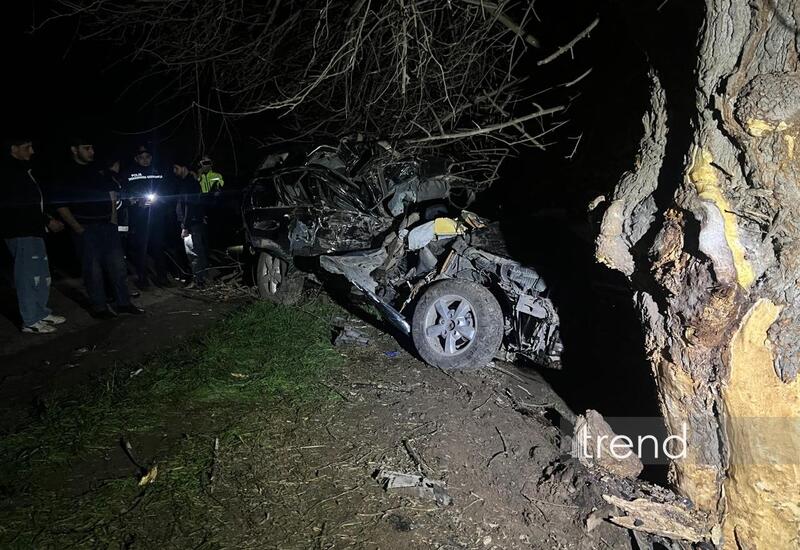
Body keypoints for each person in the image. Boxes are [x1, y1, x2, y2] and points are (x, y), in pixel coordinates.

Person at [55, 138, 144, 319]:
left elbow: (111, 193)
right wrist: (77, 227)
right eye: (86, 148)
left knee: (118, 267)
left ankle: (123, 303)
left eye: (92, 147)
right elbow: (60, 204)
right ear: (74, 149)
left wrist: (112, 219)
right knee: (92, 270)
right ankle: (100, 307)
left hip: (107, 226)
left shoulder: (98, 170)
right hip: (85, 228)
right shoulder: (65, 175)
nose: (91, 151)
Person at [1, 137, 66, 333]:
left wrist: (44, 220)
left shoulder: (22, 170)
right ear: (13, 149)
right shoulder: (8, 172)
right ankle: (30, 320)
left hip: (34, 230)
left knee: (41, 274)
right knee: (28, 276)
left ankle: (41, 312)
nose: (32, 151)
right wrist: (47, 221)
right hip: (20, 231)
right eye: (27, 147)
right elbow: (20, 205)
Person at [125, 145, 170, 289]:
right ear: (136, 158)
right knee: (141, 250)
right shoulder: (129, 173)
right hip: (139, 218)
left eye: (148, 157)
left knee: (159, 248)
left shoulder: (158, 171)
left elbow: (166, 191)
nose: (145, 160)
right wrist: (135, 201)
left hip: (157, 217)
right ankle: (142, 280)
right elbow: (124, 194)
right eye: (141, 157)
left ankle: (162, 278)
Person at [174, 164, 209, 288]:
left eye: (176, 168)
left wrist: (185, 226)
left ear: (183, 167)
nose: (175, 171)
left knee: (193, 252)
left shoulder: (189, 183)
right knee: (197, 251)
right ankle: (202, 279)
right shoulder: (188, 183)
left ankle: (199, 281)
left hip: (191, 224)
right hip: (194, 222)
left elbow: (189, 206)